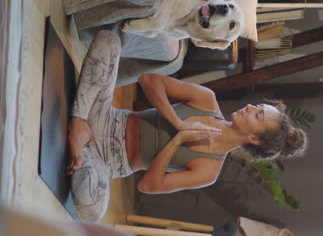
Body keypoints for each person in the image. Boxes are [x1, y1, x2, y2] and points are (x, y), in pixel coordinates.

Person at [67, 30, 307, 221]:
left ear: (255, 139)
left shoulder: (208, 170)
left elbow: (148, 186)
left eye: (258, 116)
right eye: (258, 107)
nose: (252, 108)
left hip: (107, 160)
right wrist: (177, 122)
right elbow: (149, 80)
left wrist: (177, 141)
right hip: (107, 117)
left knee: (92, 210)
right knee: (109, 40)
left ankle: (81, 144)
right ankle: (79, 126)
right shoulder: (207, 100)